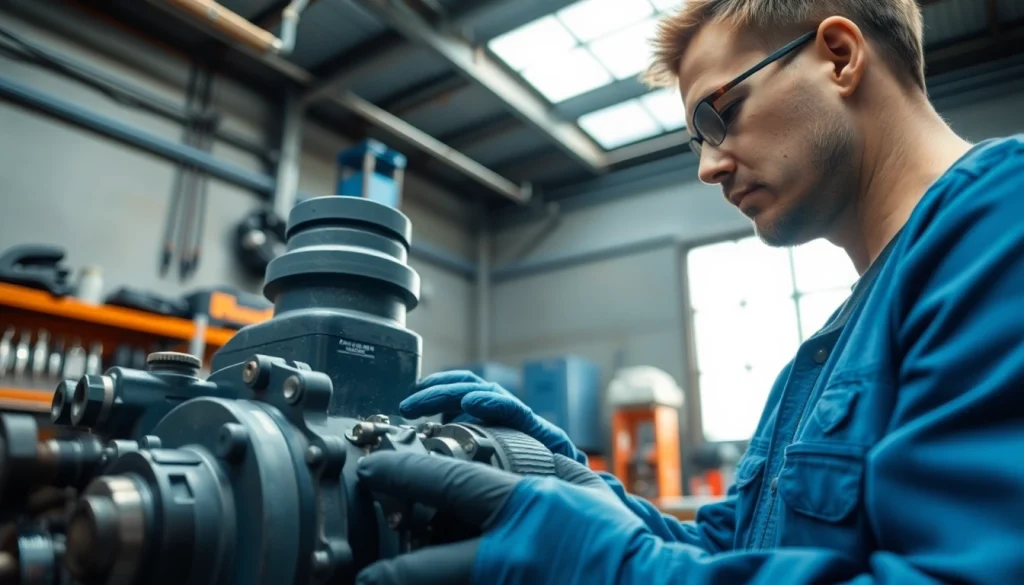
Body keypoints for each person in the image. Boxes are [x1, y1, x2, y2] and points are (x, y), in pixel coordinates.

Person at [354, 1, 1024, 583]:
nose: (709, 166)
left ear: (840, 57)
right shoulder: (819, 360)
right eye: (698, 139)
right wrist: (569, 483)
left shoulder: (1002, 220)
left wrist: (607, 569)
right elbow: (731, 552)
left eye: (720, 113)